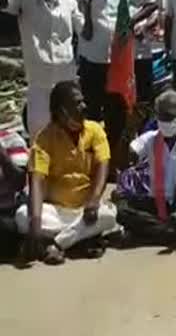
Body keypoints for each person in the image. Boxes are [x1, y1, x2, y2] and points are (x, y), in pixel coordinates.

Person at [16, 82, 119, 265]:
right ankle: (78, 238)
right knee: (23, 216)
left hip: (86, 211)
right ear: (61, 111)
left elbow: (103, 165)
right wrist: (37, 221)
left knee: (110, 216)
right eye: (77, 103)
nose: (83, 106)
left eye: (83, 101)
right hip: (56, 211)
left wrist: (94, 199)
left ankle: (56, 244)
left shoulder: (95, 130)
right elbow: (37, 180)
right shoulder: (44, 138)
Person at [69, 0, 157, 153]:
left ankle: (112, 157)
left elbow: (152, 3)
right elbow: (69, 7)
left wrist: (132, 20)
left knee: (116, 112)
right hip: (92, 60)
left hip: (118, 62)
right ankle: (92, 156)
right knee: (90, 111)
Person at [115, 90, 176, 252]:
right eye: (162, 117)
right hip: (156, 202)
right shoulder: (150, 138)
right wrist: (128, 130)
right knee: (121, 210)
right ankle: (174, 235)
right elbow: (123, 163)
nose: (165, 122)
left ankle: (151, 232)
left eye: (169, 118)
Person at [0, 0, 83, 137]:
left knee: (69, 134)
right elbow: (3, 2)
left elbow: (85, 32)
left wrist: (90, 6)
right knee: (40, 137)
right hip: (39, 85)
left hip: (66, 81)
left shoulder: (68, 1)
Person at [119, 0, 160, 103]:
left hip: (143, 49)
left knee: (144, 92)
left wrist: (144, 27)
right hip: (123, 50)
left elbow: (154, 12)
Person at [0, 129, 27, 259]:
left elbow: (20, 182)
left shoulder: (12, 139)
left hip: (6, 211)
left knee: (6, 229)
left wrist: (2, 155)